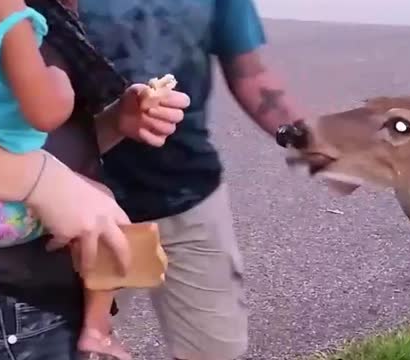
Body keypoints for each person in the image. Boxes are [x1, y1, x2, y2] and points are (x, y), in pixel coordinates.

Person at [0, 1, 190, 359]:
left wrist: (116, 121)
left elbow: (25, 142)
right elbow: (46, 115)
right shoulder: (6, 11)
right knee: (103, 209)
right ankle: (97, 327)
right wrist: (60, 82)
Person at [79, 1, 302, 359]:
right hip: (83, 206)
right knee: (74, 347)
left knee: (217, 351)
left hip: (191, 195)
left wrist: (307, 140)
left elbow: (248, 71)